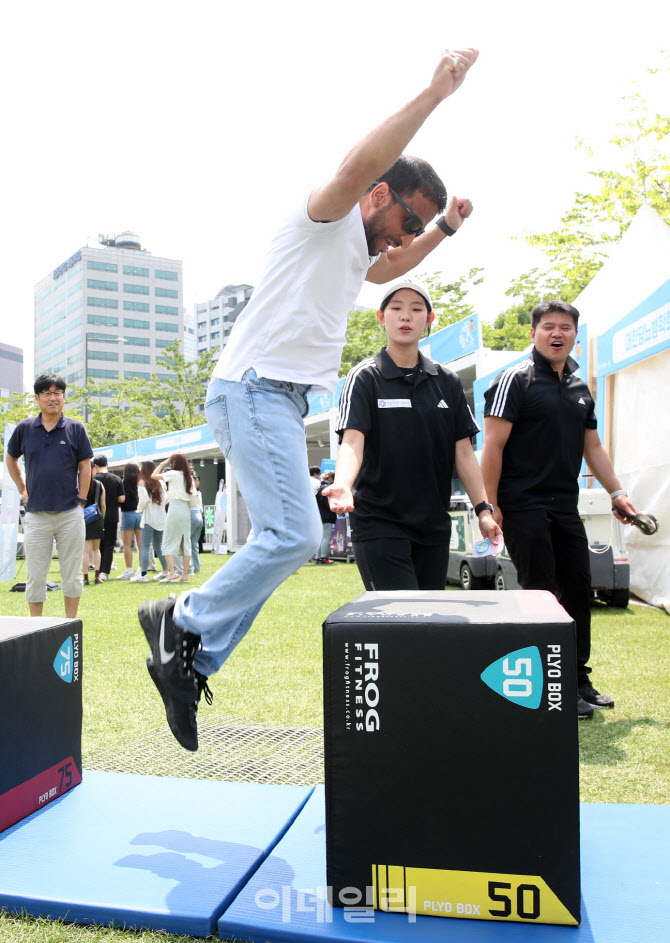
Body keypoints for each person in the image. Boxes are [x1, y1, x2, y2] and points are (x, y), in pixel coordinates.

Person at [139, 47, 480, 751]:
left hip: (280, 403)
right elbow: (358, 166)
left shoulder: (362, 254)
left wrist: (445, 226)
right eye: (408, 220)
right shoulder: (324, 216)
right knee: (296, 535)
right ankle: (182, 617)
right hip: (253, 387)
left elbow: (403, 261)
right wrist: (432, 95)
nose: (407, 238)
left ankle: (191, 658)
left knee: (285, 543)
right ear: (381, 195)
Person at [481, 299, 639, 720]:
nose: (557, 333)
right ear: (533, 333)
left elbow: (593, 446)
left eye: (565, 328)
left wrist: (617, 492)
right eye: (548, 326)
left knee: (578, 586)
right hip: (522, 504)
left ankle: (577, 677)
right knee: (541, 592)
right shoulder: (514, 380)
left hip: (564, 504)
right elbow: (492, 447)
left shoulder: (578, 386)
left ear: (575, 336)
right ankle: (550, 687)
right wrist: (490, 505)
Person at [327, 280, 500, 590]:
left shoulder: (446, 381)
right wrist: (342, 484)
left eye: (416, 309)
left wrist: (483, 511)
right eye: (396, 308)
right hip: (380, 522)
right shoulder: (365, 376)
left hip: (433, 525)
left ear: (429, 320)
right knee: (401, 618)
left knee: (428, 621)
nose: (405, 316)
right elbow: (352, 441)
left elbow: (463, 453)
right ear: (381, 317)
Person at [5, 374, 93, 618]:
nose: (53, 398)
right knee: (35, 575)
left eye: (58, 393)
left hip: (70, 513)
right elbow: (11, 458)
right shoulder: (25, 428)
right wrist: (22, 488)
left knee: (72, 575)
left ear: (64, 397)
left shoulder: (76, 428)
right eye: (47, 393)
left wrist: (82, 500)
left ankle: (70, 625)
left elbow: (85, 465)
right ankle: (37, 627)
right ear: (37, 398)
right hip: (36, 514)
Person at [152, 453, 197, 582]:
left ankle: (172, 572)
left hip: (175, 508)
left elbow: (153, 475)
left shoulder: (173, 474)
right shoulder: (188, 477)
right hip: (186, 510)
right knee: (185, 541)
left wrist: (163, 463)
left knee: (167, 541)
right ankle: (185, 574)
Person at [131, 461, 168, 583]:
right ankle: (166, 570)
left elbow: (143, 501)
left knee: (145, 546)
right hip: (161, 517)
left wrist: (140, 511)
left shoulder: (142, 484)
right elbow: (166, 500)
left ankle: (143, 574)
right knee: (159, 546)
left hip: (148, 518)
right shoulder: (161, 483)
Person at [92, 455, 125, 580]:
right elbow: (122, 498)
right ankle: (104, 572)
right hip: (112, 516)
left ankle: (97, 569)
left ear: (95, 466)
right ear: (107, 464)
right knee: (109, 544)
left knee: (96, 545)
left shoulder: (93, 480)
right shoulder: (116, 479)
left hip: (95, 516)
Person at [82, 460, 106, 585]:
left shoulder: (80, 484)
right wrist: (102, 518)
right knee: (96, 549)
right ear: (93, 469)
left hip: (83, 518)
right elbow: (103, 504)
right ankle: (97, 575)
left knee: (85, 550)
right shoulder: (99, 484)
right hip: (96, 518)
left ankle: (85, 577)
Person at [117, 463, 142, 579]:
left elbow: (121, 499)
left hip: (127, 514)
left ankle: (129, 569)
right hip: (140, 514)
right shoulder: (141, 483)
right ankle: (142, 568)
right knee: (142, 545)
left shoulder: (123, 483)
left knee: (127, 545)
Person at [315, 471, 337, 564]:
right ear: (331, 479)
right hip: (327, 515)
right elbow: (328, 503)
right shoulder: (328, 488)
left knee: (320, 537)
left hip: (318, 515)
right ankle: (323, 557)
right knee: (326, 536)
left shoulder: (318, 488)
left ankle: (318, 557)